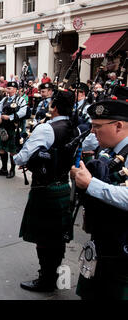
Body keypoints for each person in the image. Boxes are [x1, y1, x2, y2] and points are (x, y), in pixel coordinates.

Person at [14, 90, 80, 292]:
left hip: (44, 188)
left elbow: (21, 158)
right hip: (63, 186)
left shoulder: (46, 128)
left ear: (54, 106)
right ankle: (53, 273)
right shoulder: (75, 129)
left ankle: (46, 279)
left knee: (43, 237)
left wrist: (22, 156)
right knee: (57, 236)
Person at [70, 97, 128, 300]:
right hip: (104, 237)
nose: (92, 131)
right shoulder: (108, 150)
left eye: (97, 126)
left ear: (118, 126)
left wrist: (91, 184)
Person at [0, 81, 28, 179]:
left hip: (15, 127)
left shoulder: (21, 100)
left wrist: (10, 117)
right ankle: (4, 169)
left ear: (15, 89)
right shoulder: (4, 99)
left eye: (10, 88)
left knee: (12, 151)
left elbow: (23, 112)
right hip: (5, 127)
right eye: (7, 88)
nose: (7, 90)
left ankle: (12, 170)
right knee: (2, 149)